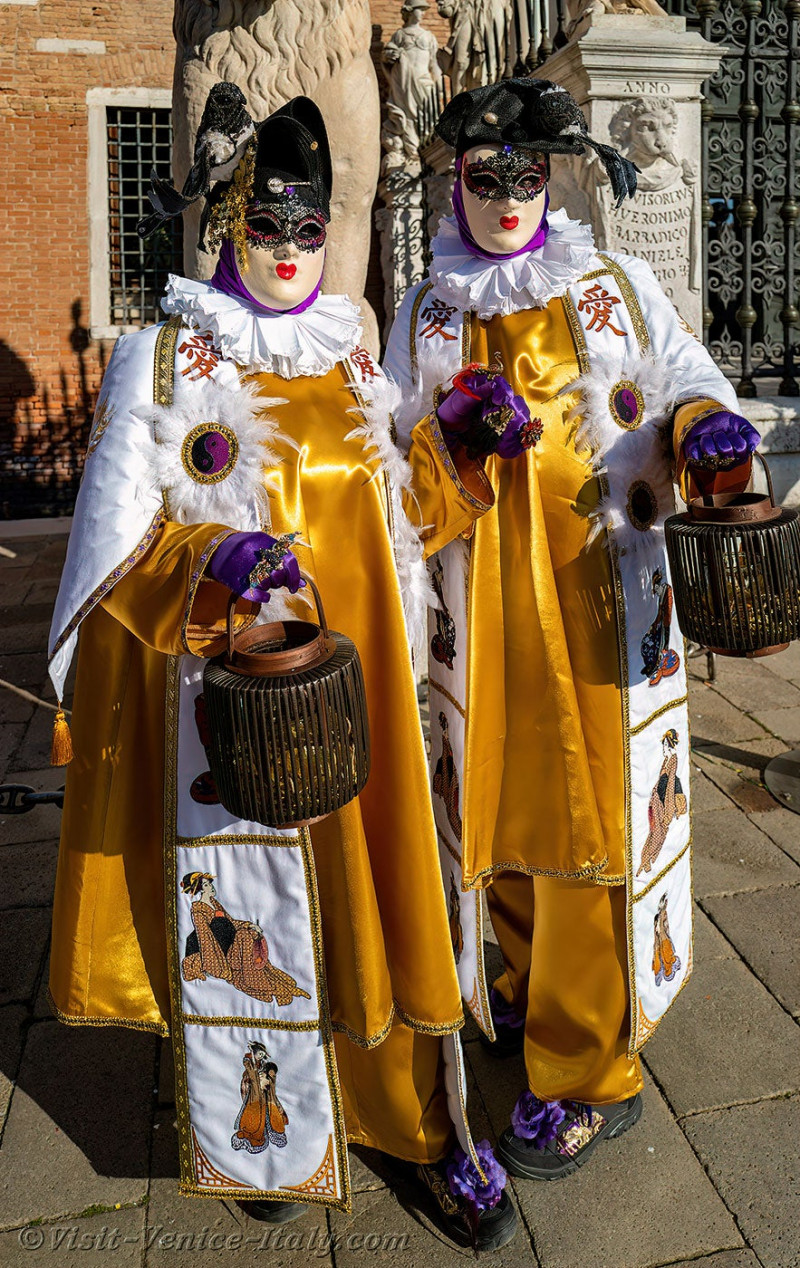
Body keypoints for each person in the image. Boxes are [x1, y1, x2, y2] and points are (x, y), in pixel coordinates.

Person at [46, 85, 515, 1250]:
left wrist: (452, 446)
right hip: (237, 711)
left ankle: (408, 1121)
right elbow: (115, 560)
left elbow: (399, 525)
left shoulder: (350, 351)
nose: (294, 252)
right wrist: (214, 559)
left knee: (381, 901)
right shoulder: (165, 357)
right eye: (270, 227)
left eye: (311, 230)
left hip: (362, 702)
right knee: (253, 928)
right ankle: (269, 1124)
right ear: (228, 227)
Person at [383, 77, 759, 1181]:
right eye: (484, 178)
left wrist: (702, 422)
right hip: (476, 617)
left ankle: (589, 1071)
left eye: (526, 177)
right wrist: (444, 438)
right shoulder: (425, 310)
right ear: (454, 183)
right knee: (485, 811)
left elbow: (683, 376)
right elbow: (386, 465)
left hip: (597, 606)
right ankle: (517, 981)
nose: (506, 199)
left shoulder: (611, 284)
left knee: (588, 830)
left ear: (553, 182)